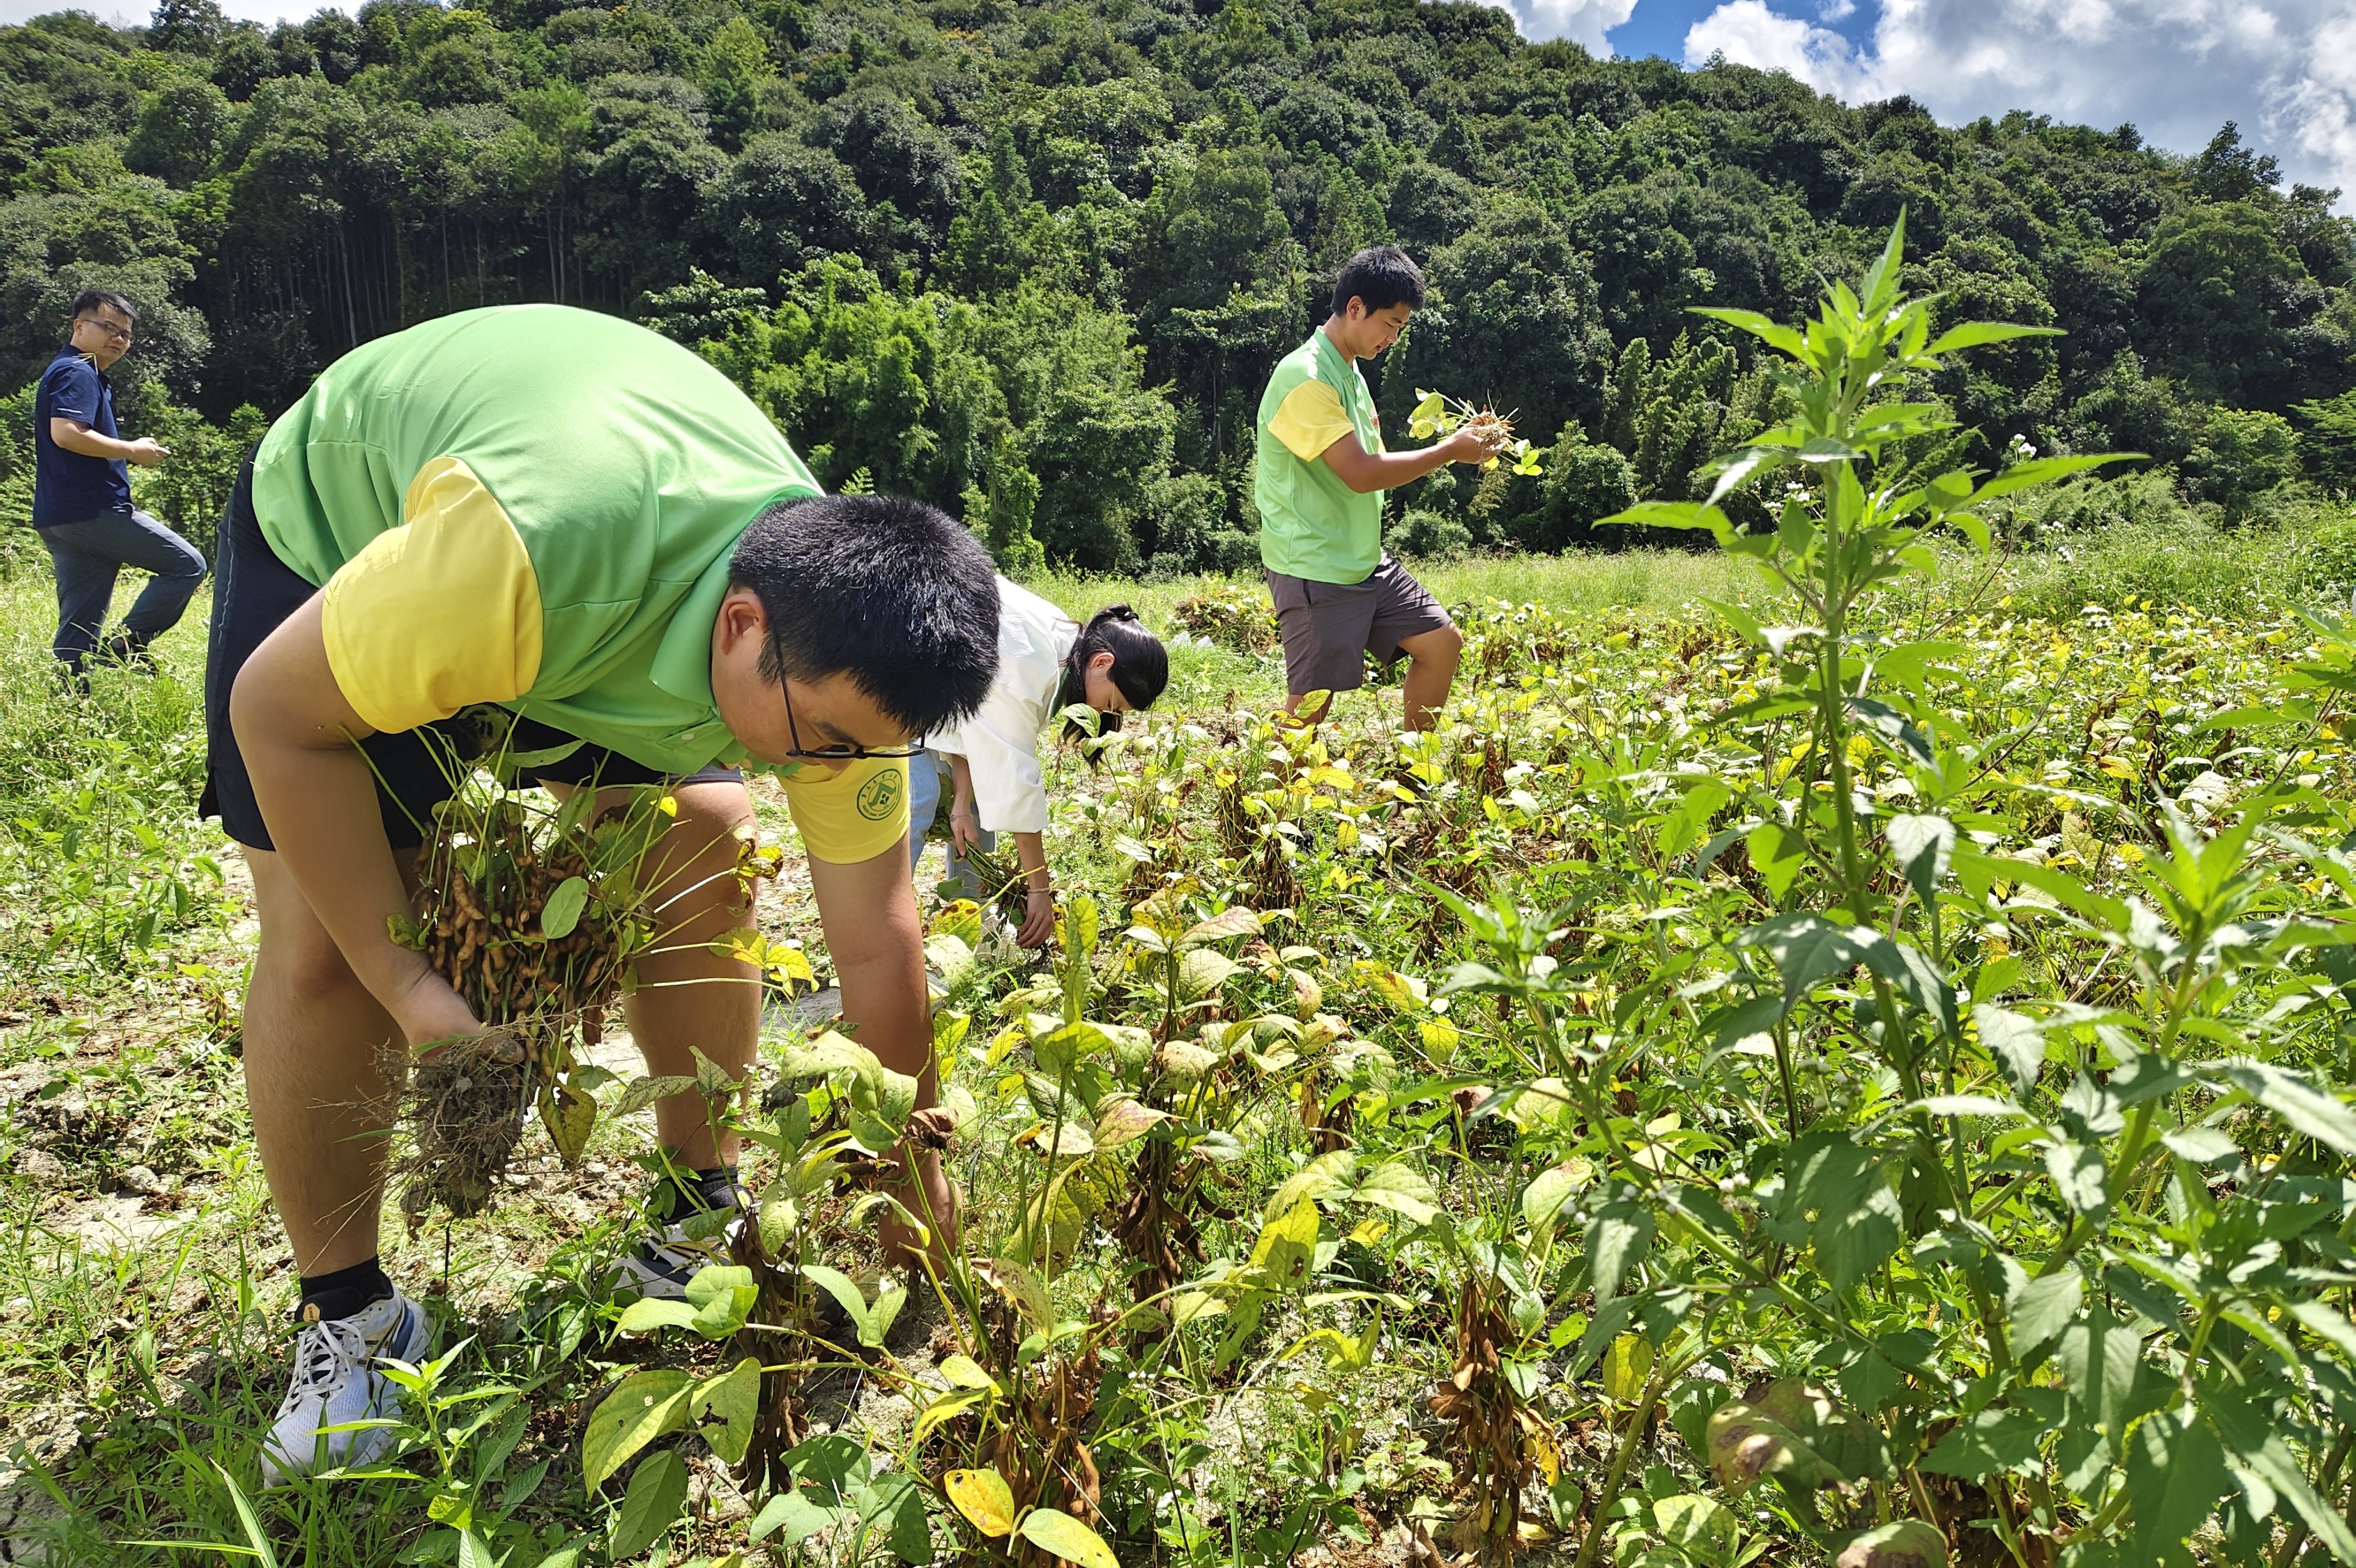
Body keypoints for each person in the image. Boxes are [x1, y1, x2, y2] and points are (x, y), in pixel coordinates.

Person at [203, 304, 999, 1484]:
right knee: (331, 945)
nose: (821, 777)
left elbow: (879, 952)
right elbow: (276, 715)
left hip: (593, 608)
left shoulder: (843, 676)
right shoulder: (525, 568)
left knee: (709, 836)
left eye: (857, 757)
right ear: (742, 629)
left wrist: (912, 1168)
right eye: (818, 742)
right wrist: (417, 988)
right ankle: (351, 1321)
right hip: (352, 540)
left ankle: (692, 1205)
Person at [1255, 245, 1505, 732]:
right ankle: (1258, 804)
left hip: (1362, 558)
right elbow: (1361, 472)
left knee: (1440, 643)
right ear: (1354, 308)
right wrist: (1450, 451)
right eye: (1390, 324)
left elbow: (1379, 460)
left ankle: (1412, 775)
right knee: (1311, 706)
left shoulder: (1349, 370)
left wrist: (1459, 438)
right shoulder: (1305, 378)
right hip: (1316, 565)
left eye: (1400, 328)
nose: (1393, 337)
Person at [906, 582, 1168, 945]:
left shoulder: (1061, 643)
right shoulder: (1028, 663)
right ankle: (879, 933)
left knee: (975, 809)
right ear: (1102, 663)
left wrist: (962, 800)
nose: (1103, 715)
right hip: (892, 673)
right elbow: (1014, 782)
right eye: (1111, 703)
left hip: (930, 688)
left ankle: (974, 929)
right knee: (918, 801)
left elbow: (973, 728)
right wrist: (1039, 891)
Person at [30, 289, 206, 677]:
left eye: (125, 334)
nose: (119, 340)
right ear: (79, 326)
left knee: (79, 625)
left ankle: (73, 707)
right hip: (93, 512)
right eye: (108, 328)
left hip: (60, 516)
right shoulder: (78, 371)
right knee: (187, 566)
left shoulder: (70, 371)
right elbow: (67, 433)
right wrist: (131, 450)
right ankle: (126, 645)